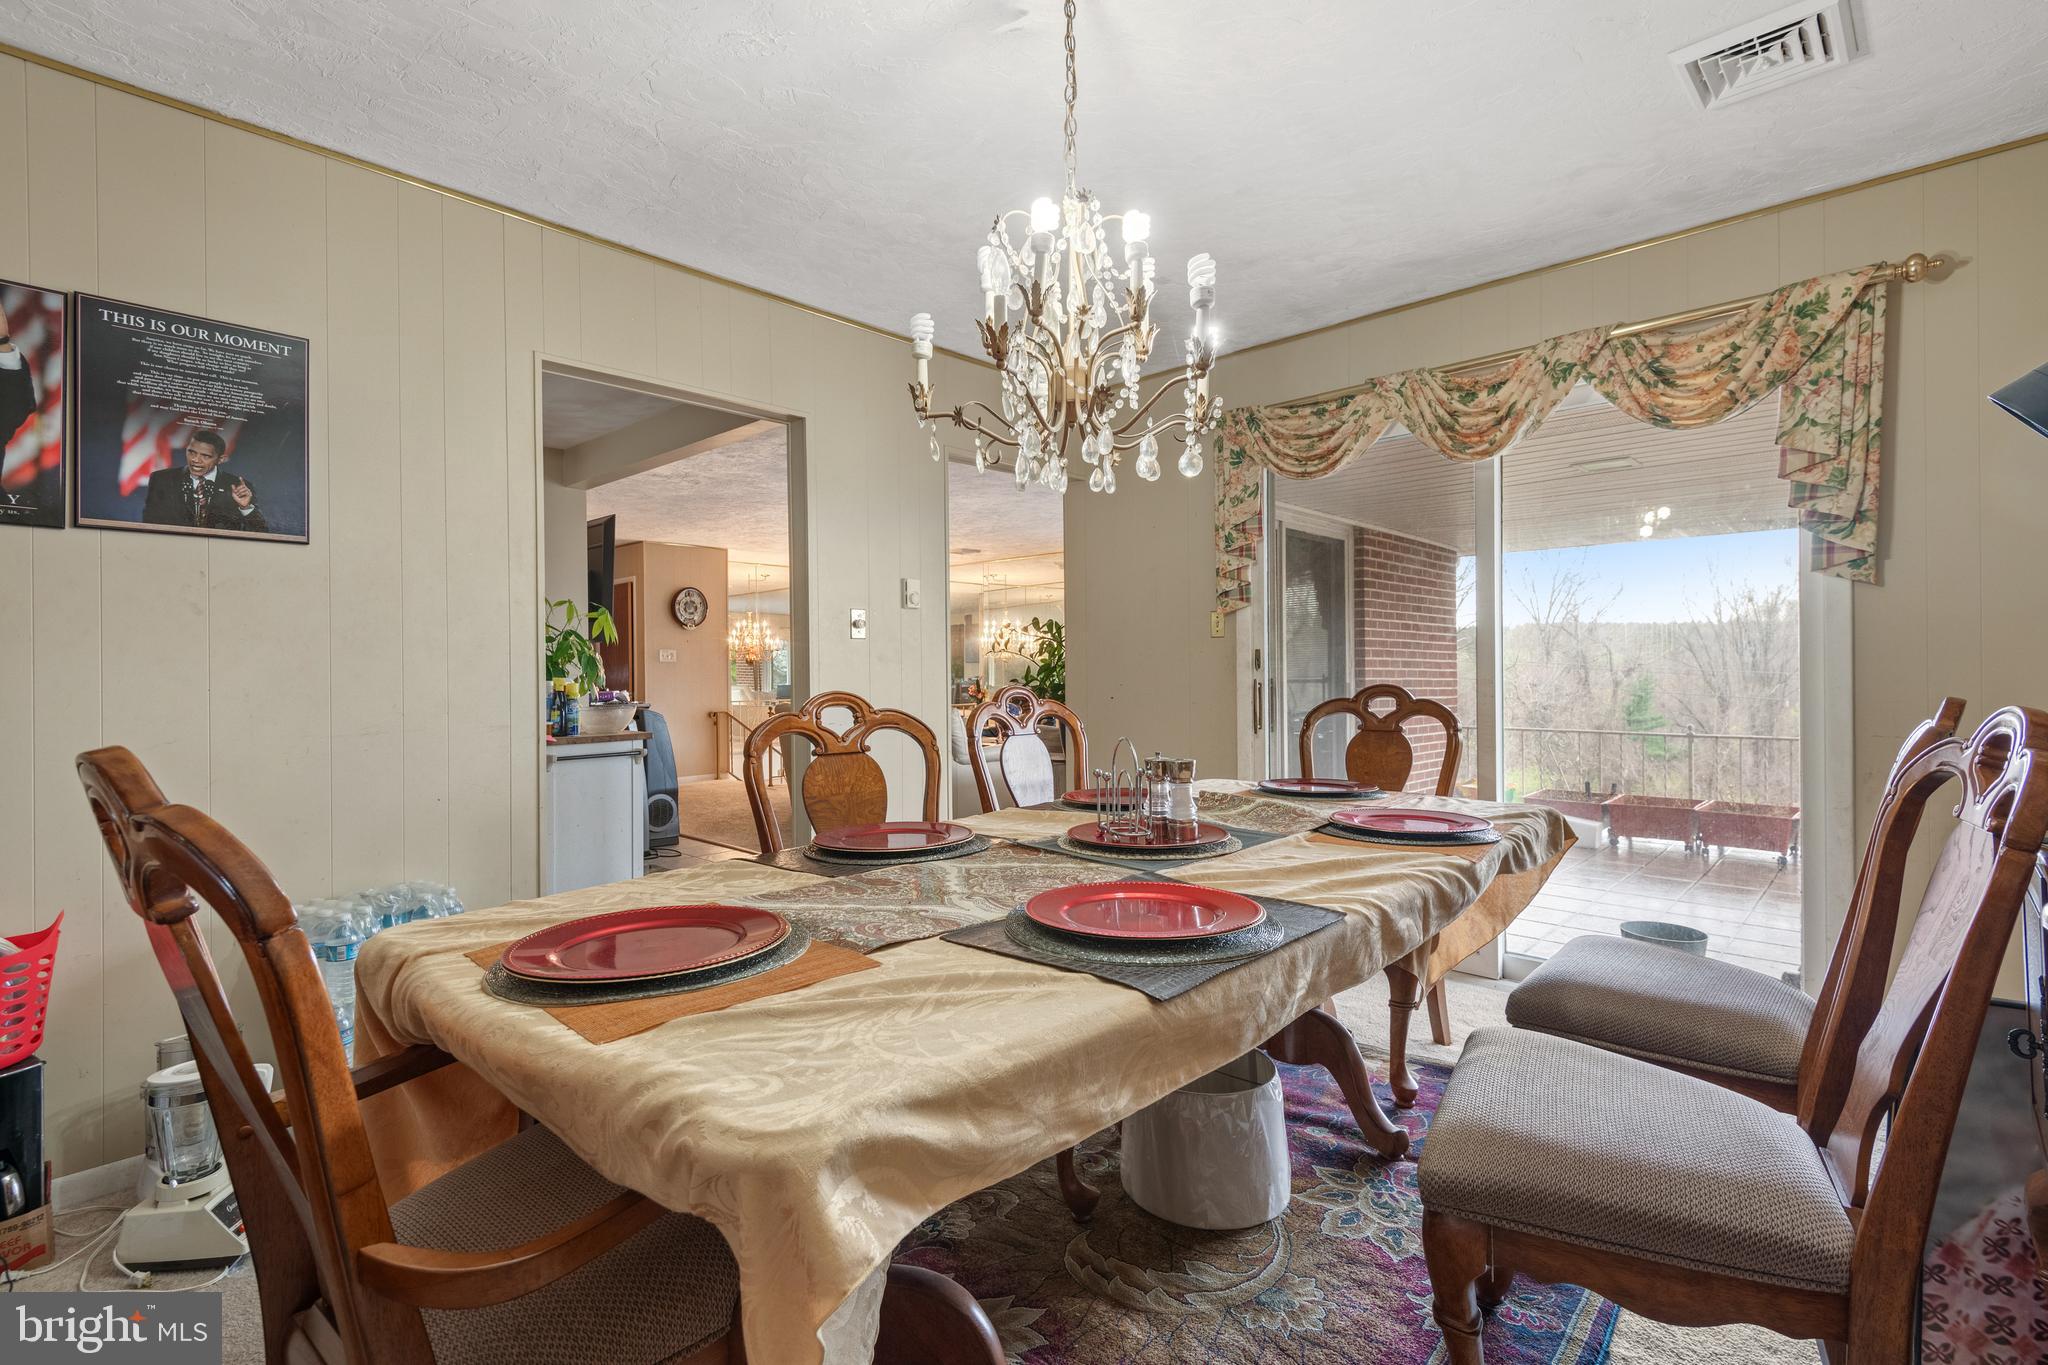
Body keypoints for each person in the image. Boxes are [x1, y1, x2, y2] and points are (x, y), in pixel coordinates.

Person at [140, 427, 268, 532]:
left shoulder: (238, 486)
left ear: (220, 459)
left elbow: (261, 531)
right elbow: (150, 524)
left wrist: (245, 507)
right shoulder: (161, 479)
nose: (195, 460)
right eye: (192, 452)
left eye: (205, 456)